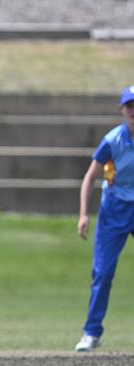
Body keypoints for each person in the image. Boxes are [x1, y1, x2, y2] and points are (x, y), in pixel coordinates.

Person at [75, 85, 134, 352]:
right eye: (130, 106)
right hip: (114, 208)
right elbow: (90, 177)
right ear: (123, 109)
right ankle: (92, 332)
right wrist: (83, 214)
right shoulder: (113, 140)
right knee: (103, 272)